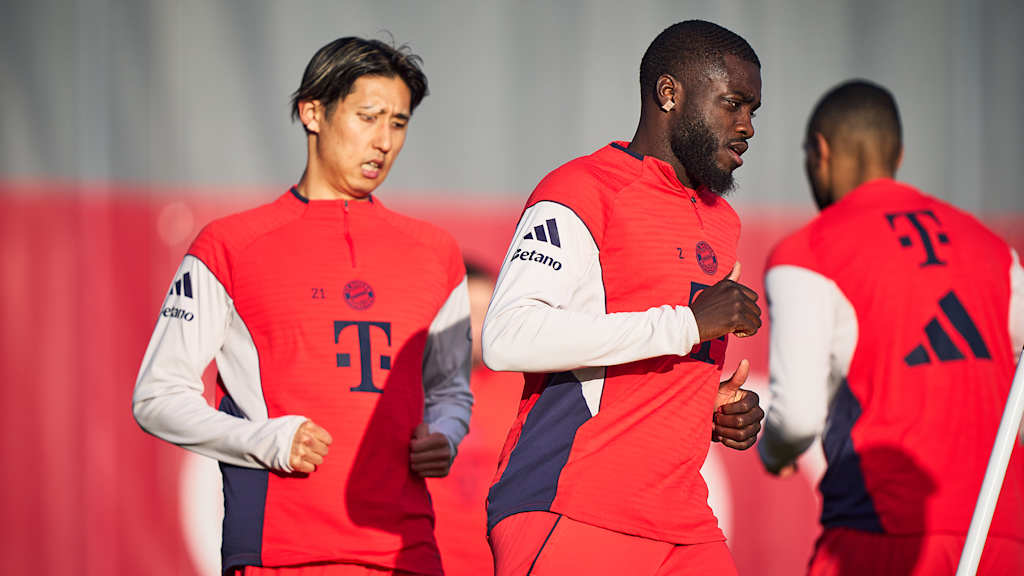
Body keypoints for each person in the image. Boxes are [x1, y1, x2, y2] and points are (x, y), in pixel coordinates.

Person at [132, 36, 473, 576]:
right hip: (279, 553)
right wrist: (264, 440)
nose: (383, 141)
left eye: (399, 123)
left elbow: (450, 390)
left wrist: (445, 434)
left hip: (408, 554)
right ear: (313, 112)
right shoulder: (229, 245)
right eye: (368, 117)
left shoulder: (437, 253)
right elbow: (157, 396)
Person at [481, 20, 766, 576]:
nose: (747, 126)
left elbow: (640, 361)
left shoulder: (723, 221)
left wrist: (705, 405)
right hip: (574, 506)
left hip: (685, 520)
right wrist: (687, 324)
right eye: (733, 104)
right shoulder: (582, 188)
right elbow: (506, 336)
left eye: (754, 110)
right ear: (669, 94)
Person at [758, 80, 1024, 575]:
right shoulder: (996, 251)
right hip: (1001, 532)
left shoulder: (807, 252)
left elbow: (796, 418)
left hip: (878, 533)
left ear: (819, 151)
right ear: (898, 154)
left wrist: (774, 452)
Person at [426, 262, 522, 576]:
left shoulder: (524, 386)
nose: (477, 326)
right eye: (466, 314)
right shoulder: (410, 388)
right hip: (428, 559)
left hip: (501, 562)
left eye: (487, 312)